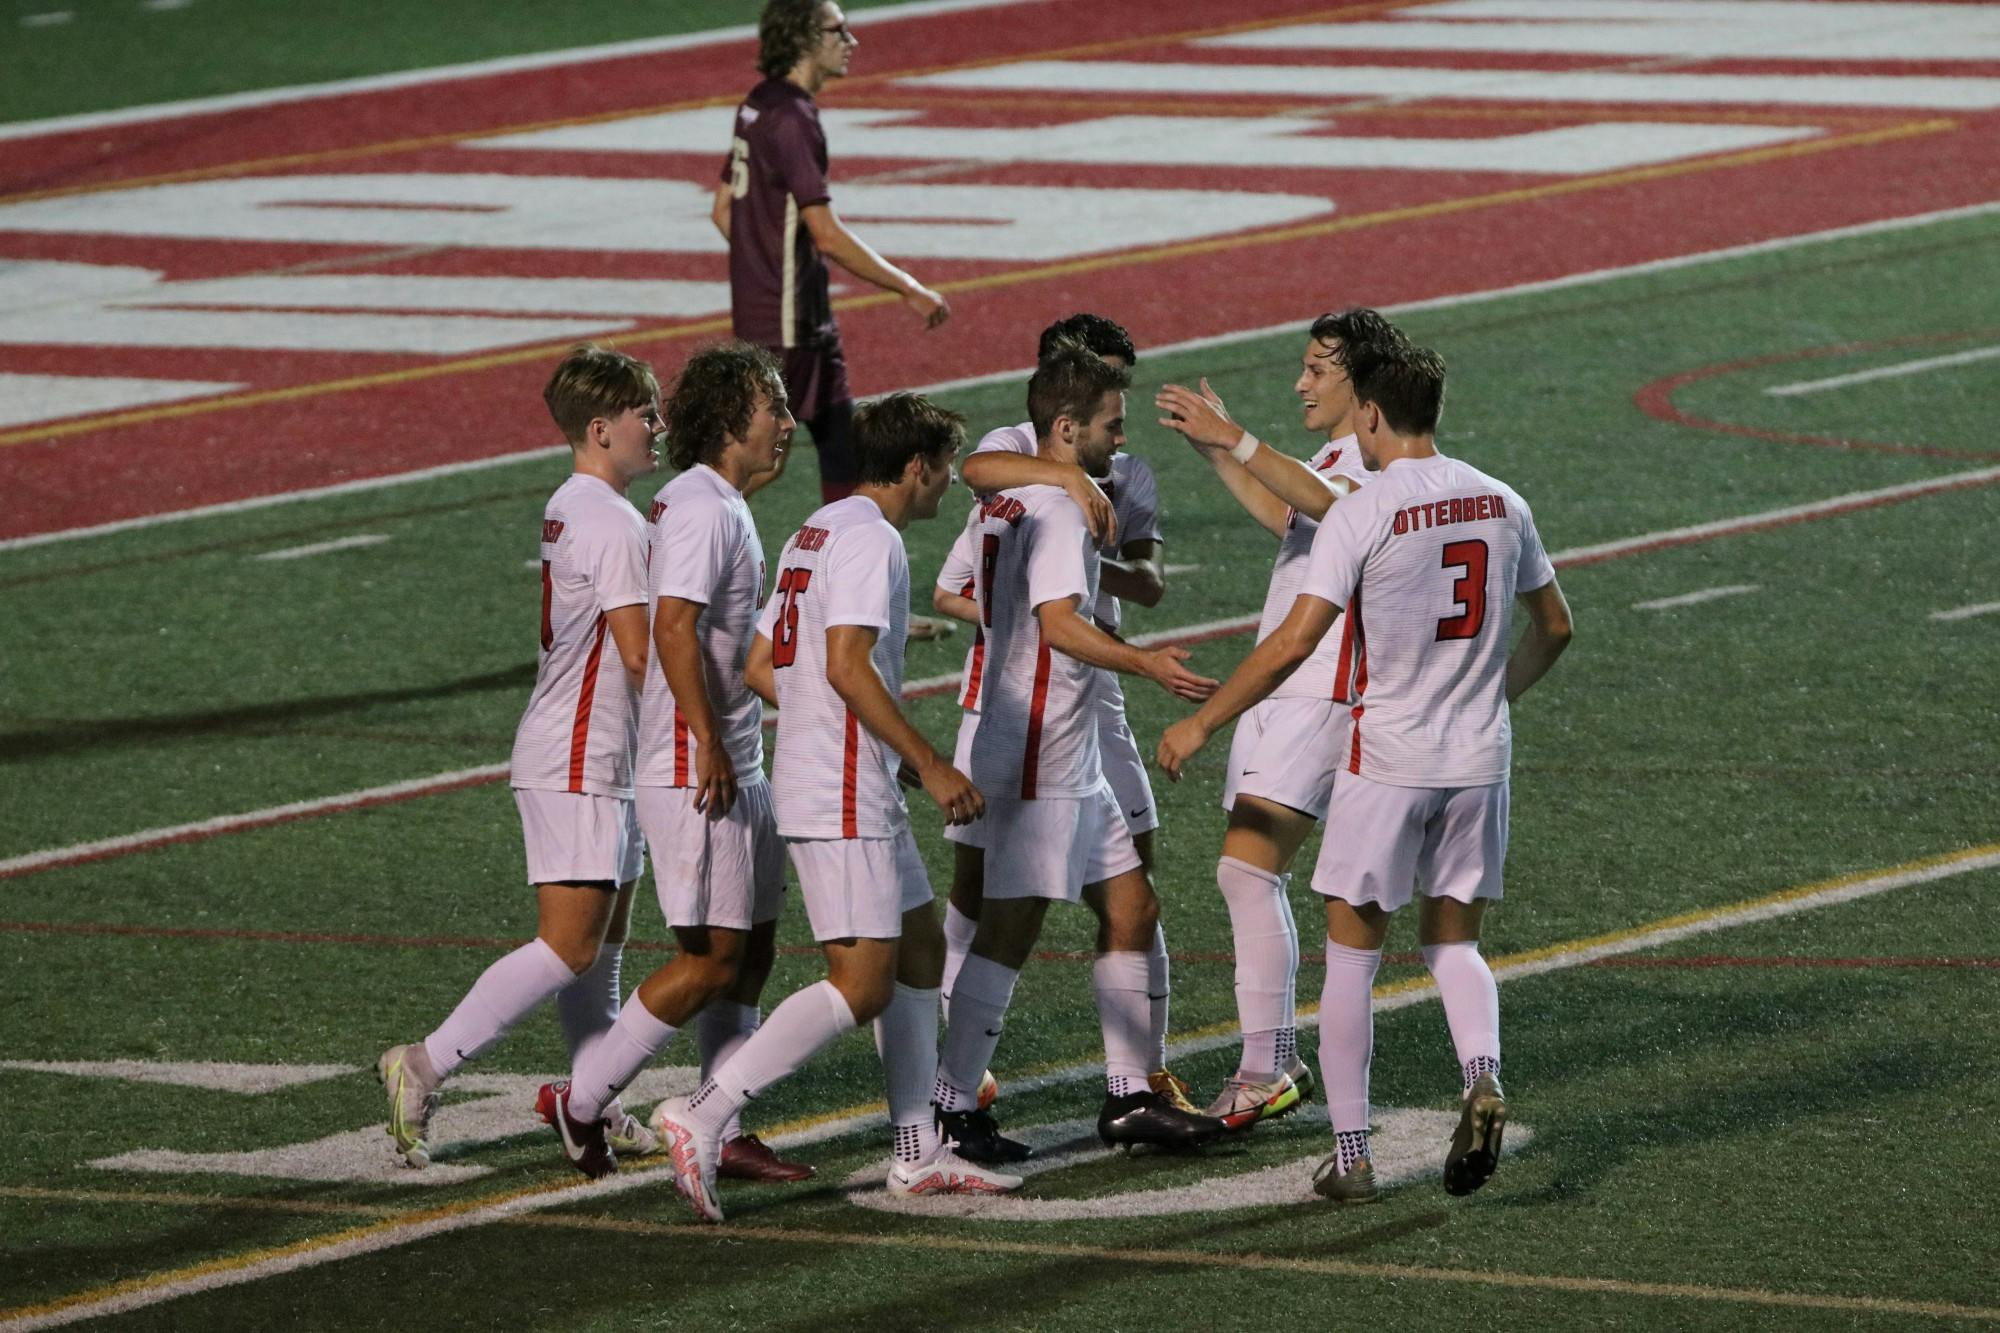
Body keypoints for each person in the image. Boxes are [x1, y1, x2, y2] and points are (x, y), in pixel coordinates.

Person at [1156, 340, 1574, 1204]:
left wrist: (1202, 718)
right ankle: (1482, 1074)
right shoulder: (1504, 500)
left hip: (1388, 758)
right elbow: (1557, 627)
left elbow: (1294, 643)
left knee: (1352, 960)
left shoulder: (1367, 507)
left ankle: (1351, 1155)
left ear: (1373, 414)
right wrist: (1495, 699)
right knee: (1454, 942)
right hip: (1480, 760)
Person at [652, 392, 1020, 1223]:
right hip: (844, 788)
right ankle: (703, 1111)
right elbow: (849, 665)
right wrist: (924, 760)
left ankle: (916, 1150)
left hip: (837, 778)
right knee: (860, 985)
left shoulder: (812, 531)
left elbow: (757, 663)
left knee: (921, 947)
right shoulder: (871, 540)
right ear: (917, 466)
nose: (948, 487)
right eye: (945, 470)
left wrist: (823, 722)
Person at [930, 344, 1224, 1162]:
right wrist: (1146, 661)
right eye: (1108, 427)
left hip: (1061, 740)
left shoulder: (1015, 497)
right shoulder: (1057, 508)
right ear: (1066, 427)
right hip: (1039, 744)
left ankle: (1131, 1096)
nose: (1118, 443)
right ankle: (948, 1106)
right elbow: (1060, 622)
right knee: (1009, 930)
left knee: (1133, 908)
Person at [379, 344, 663, 1169]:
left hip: (600, 753)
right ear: (601, 428)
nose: (660, 425)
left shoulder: (582, 503)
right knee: (570, 946)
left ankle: (592, 1096)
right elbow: (643, 655)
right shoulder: (609, 519)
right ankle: (423, 1065)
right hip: (579, 756)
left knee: (601, 950)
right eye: (646, 412)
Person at [537, 342, 810, 1182]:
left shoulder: (717, 501)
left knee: (752, 951)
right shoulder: (701, 507)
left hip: (731, 758)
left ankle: (719, 1118)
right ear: (732, 418)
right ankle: (581, 1099)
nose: (788, 423)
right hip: (699, 765)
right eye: (773, 407)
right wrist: (707, 738)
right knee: (710, 957)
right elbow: (673, 627)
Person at [1151, 309, 1404, 1131]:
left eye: (1316, 370)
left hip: (1325, 685)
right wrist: (1218, 451)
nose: (1301, 382)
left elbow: (1331, 505)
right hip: (1283, 687)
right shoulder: (1335, 454)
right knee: (1251, 873)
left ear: (1359, 381)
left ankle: (1266, 1064)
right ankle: (1276, 1057)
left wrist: (1241, 436)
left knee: (1247, 871)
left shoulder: (1376, 454)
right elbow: (1288, 515)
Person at [712, 0, 950, 508]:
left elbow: (724, 212)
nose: (851, 41)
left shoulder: (757, 103)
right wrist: (908, 287)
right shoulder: (794, 119)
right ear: (803, 38)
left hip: (791, 314)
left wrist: (764, 262)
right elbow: (825, 233)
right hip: (791, 321)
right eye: (838, 30)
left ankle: (840, 559)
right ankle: (673, 531)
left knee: (843, 452)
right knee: (766, 461)